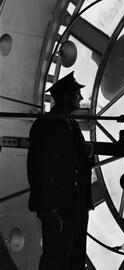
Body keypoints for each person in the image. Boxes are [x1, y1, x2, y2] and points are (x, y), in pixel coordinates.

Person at [27, 71, 94, 270]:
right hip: (66, 206)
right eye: (77, 94)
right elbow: (38, 171)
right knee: (61, 259)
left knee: (63, 258)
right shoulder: (56, 125)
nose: (81, 98)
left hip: (69, 206)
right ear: (65, 96)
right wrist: (49, 209)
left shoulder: (59, 124)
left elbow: (40, 170)